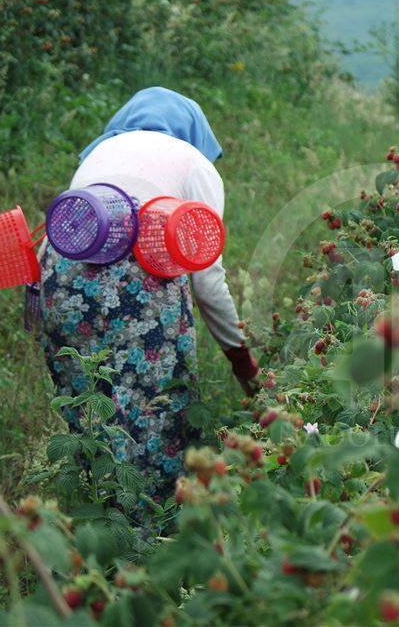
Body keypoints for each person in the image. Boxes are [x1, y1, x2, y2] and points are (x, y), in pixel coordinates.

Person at [37, 87, 259, 511]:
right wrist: (241, 361)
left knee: (90, 402)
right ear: (195, 132)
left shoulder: (100, 154)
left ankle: (98, 510)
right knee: (159, 412)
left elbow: (78, 240)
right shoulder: (193, 163)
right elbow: (207, 280)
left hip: (57, 265)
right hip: (142, 270)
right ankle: (154, 533)